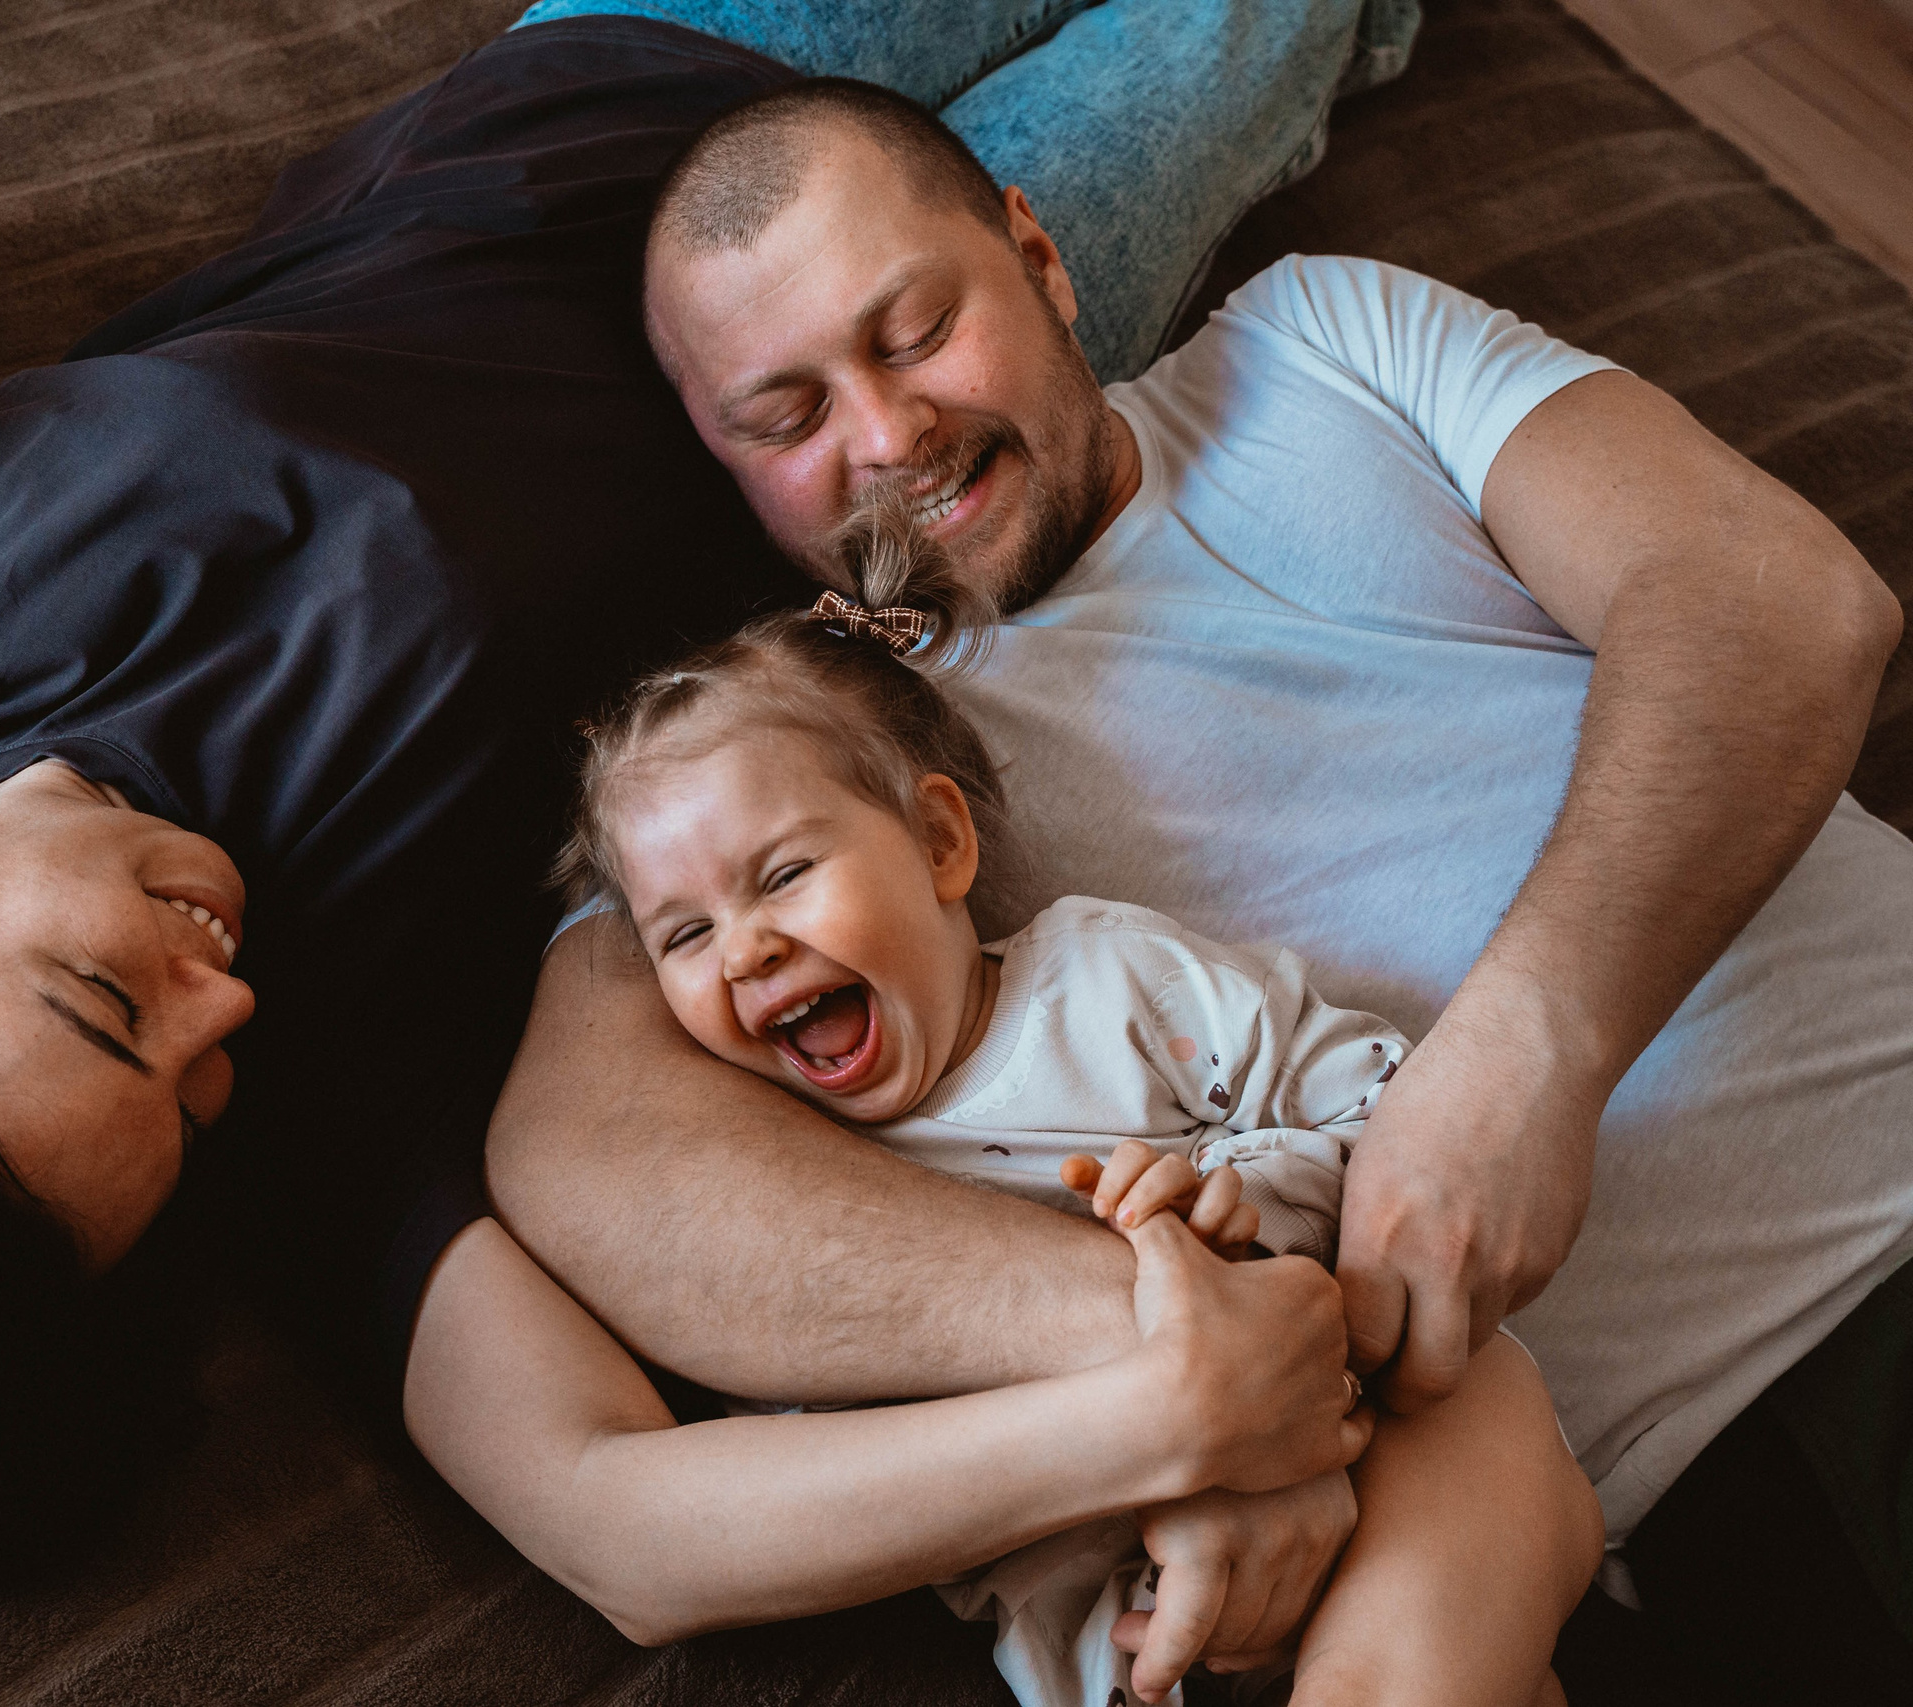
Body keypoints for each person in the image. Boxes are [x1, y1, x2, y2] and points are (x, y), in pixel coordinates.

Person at [0, 0, 1408, 1598]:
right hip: (875, 423)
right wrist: (1158, 1406)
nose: (219, 998)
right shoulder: (327, 1080)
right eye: (194, 1084)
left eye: (108, 1008)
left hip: (627, 72)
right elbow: (618, 1527)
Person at [461, 49, 1910, 1690]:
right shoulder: (779, 757)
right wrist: (1178, 1361)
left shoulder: (1323, 340)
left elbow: (1778, 597)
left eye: (918, 329)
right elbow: (591, 1152)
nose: (885, 434)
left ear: (1041, 253)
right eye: (784, 418)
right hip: (1704, 1463)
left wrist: (1531, 1048)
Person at [539, 604, 1599, 1705]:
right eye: (685, 935)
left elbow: (1391, 1116)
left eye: (783, 874)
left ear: (940, 844)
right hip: (1141, 1631)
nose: (747, 949)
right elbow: (838, 1466)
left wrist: (1246, 1194)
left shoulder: (1110, 985)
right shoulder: (771, 1179)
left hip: (1377, 1451)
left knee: (1478, 1409)